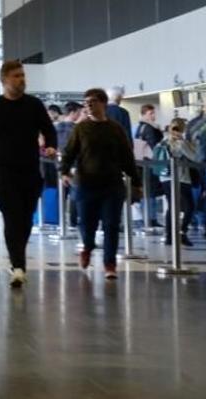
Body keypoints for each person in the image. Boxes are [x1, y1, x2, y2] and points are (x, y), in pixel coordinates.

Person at [0, 60, 57, 288]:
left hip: (30, 170)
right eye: (17, 76)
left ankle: (17, 260)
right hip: (5, 172)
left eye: (23, 75)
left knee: (25, 219)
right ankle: (18, 266)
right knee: (12, 219)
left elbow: (48, 129)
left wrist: (51, 144)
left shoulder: (34, 105)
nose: (22, 80)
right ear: (4, 80)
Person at [61, 88, 139, 280]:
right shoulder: (81, 128)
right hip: (86, 183)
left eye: (93, 101)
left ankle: (109, 264)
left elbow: (127, 157)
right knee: (87, 224)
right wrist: (63, 171)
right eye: (86, 101)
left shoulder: (115, 129)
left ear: (103, 103)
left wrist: (136, 182)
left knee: (111, 224)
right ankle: (87, 246)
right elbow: (70, 152)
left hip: (111, 184)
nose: (88, 104)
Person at [154, 118, 196, 246]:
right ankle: (182, 232)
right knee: (189, 206)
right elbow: (194, 157)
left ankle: (169, 236)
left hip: (165, 177)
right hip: (180, 178)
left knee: (172, 206)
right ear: (183, 129)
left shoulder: (162, 141)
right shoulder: (180, 143)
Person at [186, 94, 206, 237]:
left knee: (201, 192)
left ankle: (201, 221)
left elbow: (188, 140)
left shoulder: (193, 122)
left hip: (196, 161)